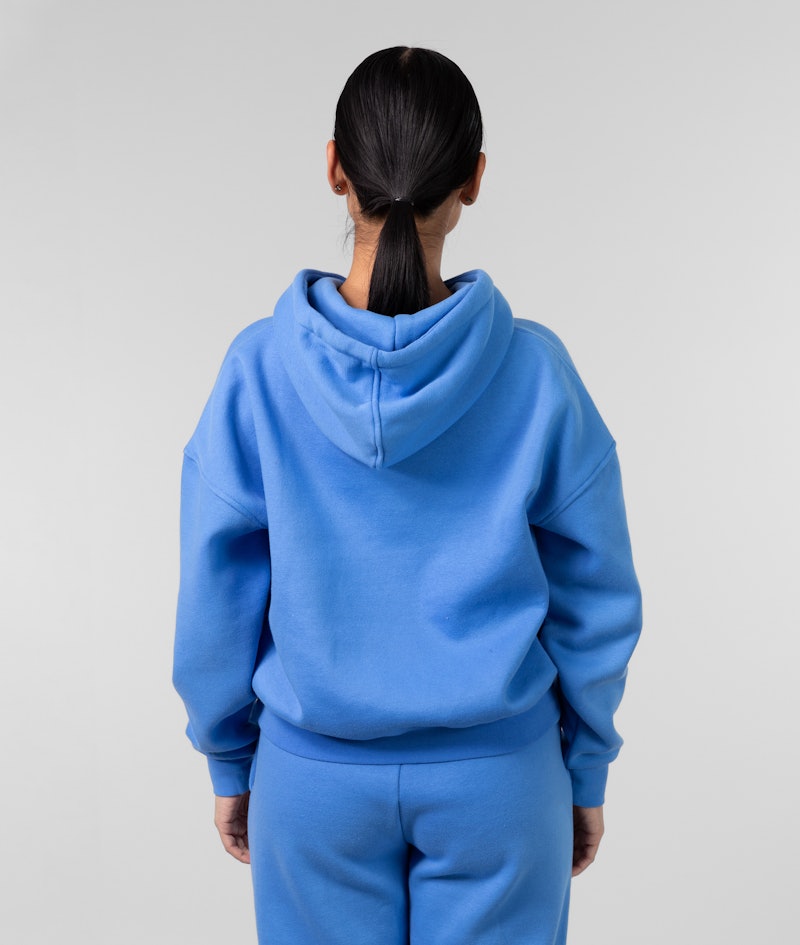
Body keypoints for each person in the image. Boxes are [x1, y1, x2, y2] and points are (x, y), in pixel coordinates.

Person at [173, 46, 642, 945]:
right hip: (500, 784)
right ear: (473, 180)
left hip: (311, 785)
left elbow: (213, 594)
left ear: (335, 169)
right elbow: (598, 594)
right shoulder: (536, 372)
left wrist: (230, 756)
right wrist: (585, 768)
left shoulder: (257, 370)